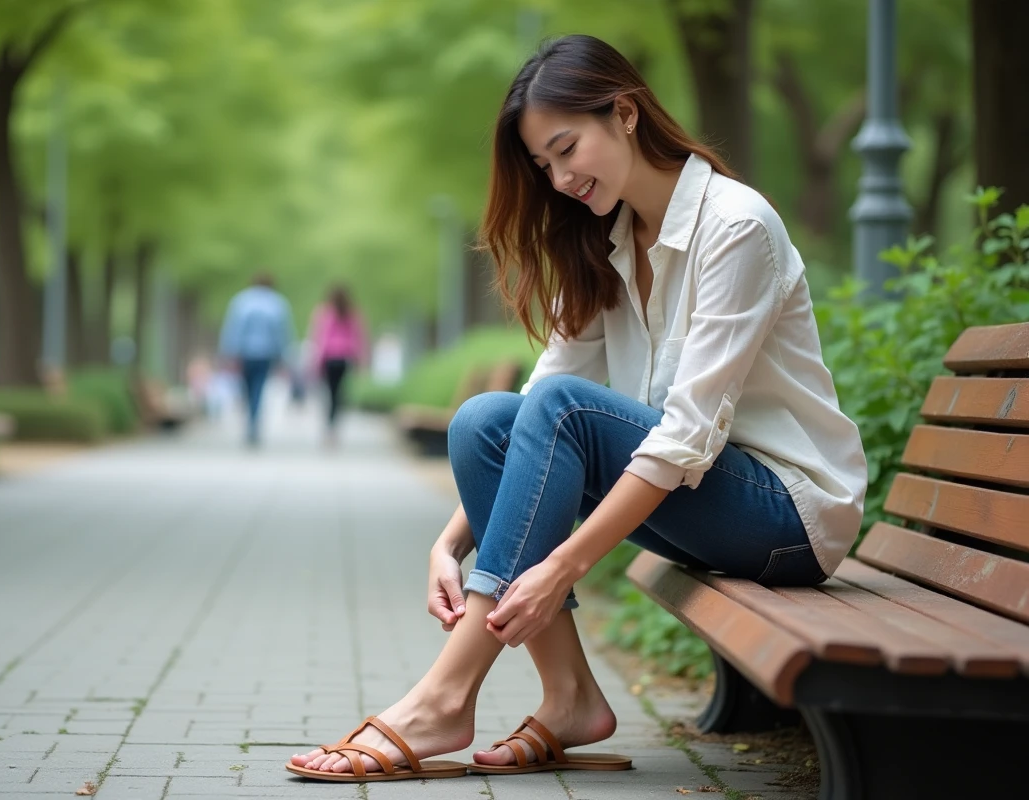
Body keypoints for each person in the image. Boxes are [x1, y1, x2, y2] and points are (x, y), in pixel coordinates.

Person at [286, 35, 866, 783]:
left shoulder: (736, 225)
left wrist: (562, 566)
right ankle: (569, 698)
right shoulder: (606, 241)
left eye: (567, 149)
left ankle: (444, 695)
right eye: (544, 165)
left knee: (558, 408)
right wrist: (449, 544)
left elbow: (685, 437)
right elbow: (530, 411)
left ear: (624, 113)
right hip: (704, 499)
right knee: (482, 421)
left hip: (789, 516)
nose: (560, 179)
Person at [219, 273, 294, 446]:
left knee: (246, 387)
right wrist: (283, 354)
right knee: (258, 388)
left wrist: (228, 352)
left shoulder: (241, 301)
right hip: (265, 354)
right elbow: (282, 332)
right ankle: (253, 421)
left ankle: (250, 420)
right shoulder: (277, 303)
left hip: (244, 353)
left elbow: (233, 329)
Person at [308, 285, 369, 446]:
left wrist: (317, 361)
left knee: (330, 394)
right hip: (344, 359)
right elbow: (358, 338)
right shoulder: (352, 313)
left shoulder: (324, 312)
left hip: (329, 359)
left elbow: (321, 339)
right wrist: (359, 360)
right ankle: (333, 427)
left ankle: (330, 427)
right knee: (339, 394)